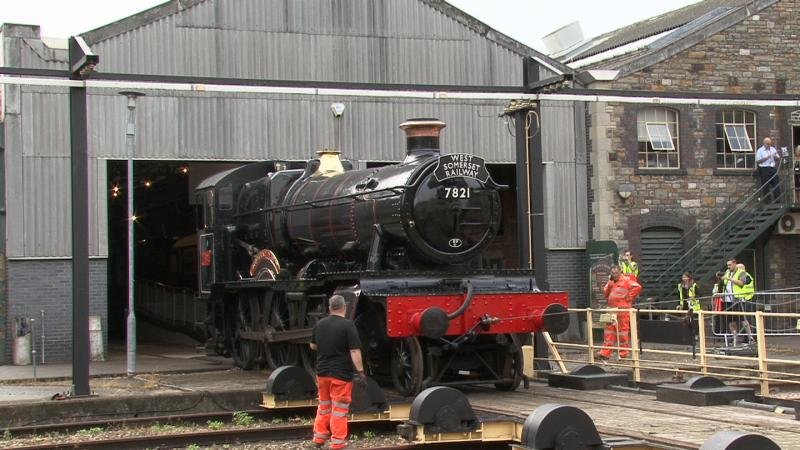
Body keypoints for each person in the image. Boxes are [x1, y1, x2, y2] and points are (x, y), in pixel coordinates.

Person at [309, 295, 366, 450]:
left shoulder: (320, 324)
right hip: (340, 374)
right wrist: (360, 371)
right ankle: (338, 443)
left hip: (322, 373)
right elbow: (354, 350)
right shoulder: (348, 326)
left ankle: (319, 438)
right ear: (344, 307)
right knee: (339, 410)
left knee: (324, 406)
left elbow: (313, 346)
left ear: (330, 308)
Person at [598, 264, 642, 360]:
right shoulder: (610, 282)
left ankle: (623, 354)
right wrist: (610, 284)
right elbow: (606, 293)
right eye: (613, 273)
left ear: (620, 272)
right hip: (611, 309)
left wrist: (629, 296)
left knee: (623, 332)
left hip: (623, 310)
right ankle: (605, 353)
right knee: (608, 332)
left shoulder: (626, 280)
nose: (614, 275)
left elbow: (638, 287)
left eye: (616, 273)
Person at [722, 260, 755, 345]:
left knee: (743, 319)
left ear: (734, 264)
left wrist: (729, 279)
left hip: (738, 299)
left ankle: (750, 337)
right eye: (727, 265)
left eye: (730, 265)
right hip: (728, 299)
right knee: (731, 321)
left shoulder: (742, 272)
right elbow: (724, 283)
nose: (728, 267)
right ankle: (734, 338)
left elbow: (741, 283)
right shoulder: (727, 272)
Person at [755, 137, 781, 203]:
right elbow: (758, 161)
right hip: (764, 169)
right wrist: (766, 158)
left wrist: (776, 157)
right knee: (766, 186)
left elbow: (778, 158)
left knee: (776, 184)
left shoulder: (773, 149)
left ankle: (777, 201)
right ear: (764, 144)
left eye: (770, 144)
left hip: (772, 168)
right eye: (768, 144)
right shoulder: (760, 150)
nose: (769, 145)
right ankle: (767, 202)